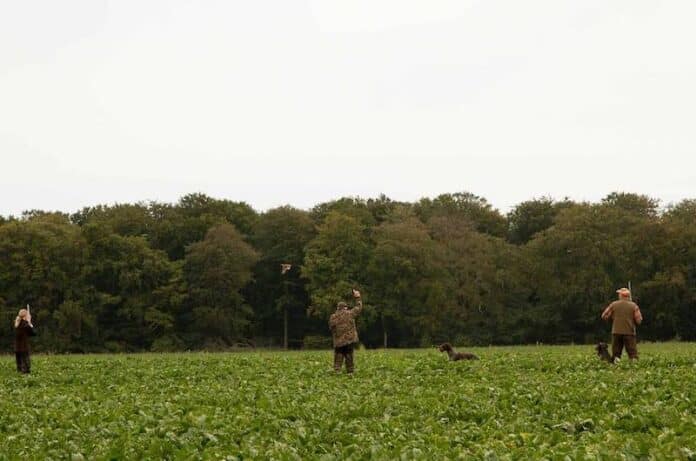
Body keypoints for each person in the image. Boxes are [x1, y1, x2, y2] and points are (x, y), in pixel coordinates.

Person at [601, 287, 642, 360]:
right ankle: (634, 367)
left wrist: (613, 319)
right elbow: (639, 320)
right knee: (632, 353)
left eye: (619, 294)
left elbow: (604, 316)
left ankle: (616, 367)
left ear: (621, 295)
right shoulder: (634, 306)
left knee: (616, 353)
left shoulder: (614, 304)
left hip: (616, 332)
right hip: (629, 332)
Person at [328, 289, 363, 374]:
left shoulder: (333, 316)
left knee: (338, 355)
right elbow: (358, 308)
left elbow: (331, 327)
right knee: (349, 355)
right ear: (345, 307)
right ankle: (350, 371)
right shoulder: (349, 313)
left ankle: (337, 370)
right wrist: (358, 297)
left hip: (338, 341)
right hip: (349, 339)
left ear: (337, 308)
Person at [14, 308, 36, 374]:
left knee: (19, 366)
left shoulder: (17, 323)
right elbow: (33, 333)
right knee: (26, 367)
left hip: (17, 348)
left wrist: (28, 322)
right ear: (24, 316)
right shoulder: (25, 325)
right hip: (24, 347)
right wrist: (29, 322)